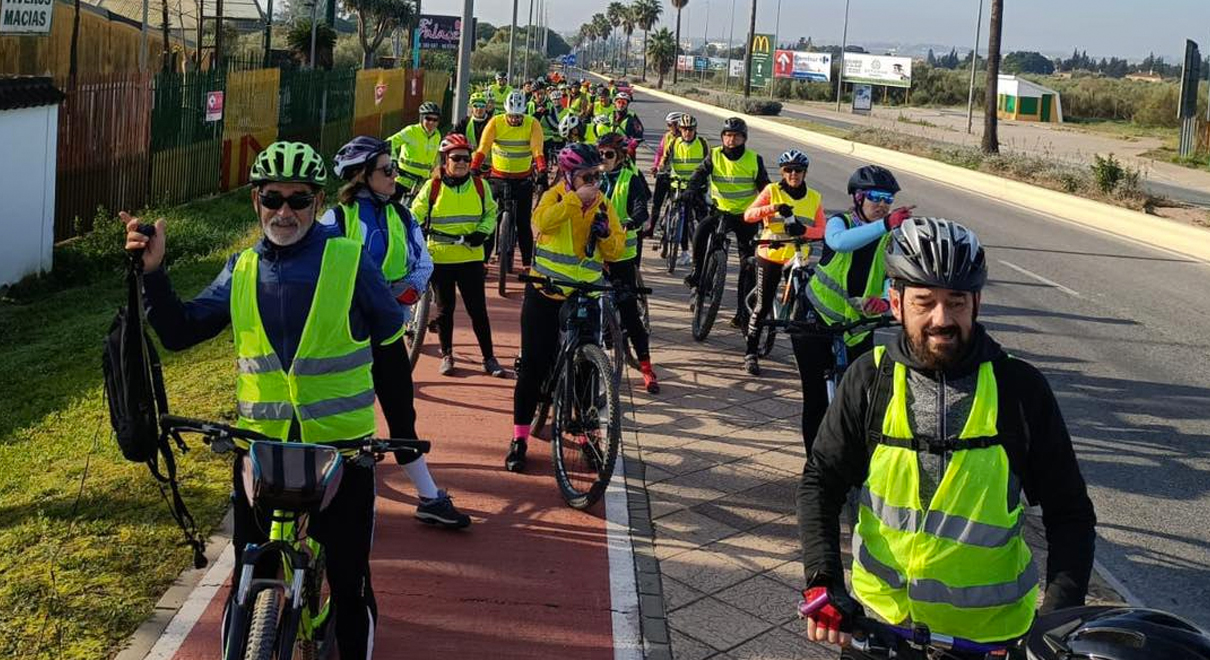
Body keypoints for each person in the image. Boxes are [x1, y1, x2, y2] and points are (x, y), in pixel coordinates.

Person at [123, 142, 407, 659]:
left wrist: (404, 435)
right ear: (255, 201)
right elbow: (181, 331)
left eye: (298, 201)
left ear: (318, 202)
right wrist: (155, 273)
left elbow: (389, 351)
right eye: (272, 198)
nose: (284, 212)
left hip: (340, 451)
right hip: (260, 451)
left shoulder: (350, 261)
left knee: (347, 581)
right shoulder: (243, 269)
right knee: (248, 573)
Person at [797, 217, 1097, 651]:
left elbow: (1070, 512)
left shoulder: (1020, 389)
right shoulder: (869, 379)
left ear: (976, 303)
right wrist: (823, 580)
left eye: (956, 302)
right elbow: (820, 482)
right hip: (883, 625)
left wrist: (1056, 620)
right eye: (925, 301)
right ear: (896, 303)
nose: (942, 319)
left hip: (991, 638)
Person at [322, 136, 471, 529]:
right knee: (337, 422)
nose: (395, 175)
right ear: (361, 176)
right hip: (340, 339)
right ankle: (326, 498)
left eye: (394, 168)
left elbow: (423, 264)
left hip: (387, 334)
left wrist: (402, 296)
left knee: (401, 414)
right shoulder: (334, 220)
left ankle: (429, 498)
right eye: (387, 169)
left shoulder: (402, 216)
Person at [506, 144, 625, 472]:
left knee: (587, 371)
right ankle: (519, 438)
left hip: (585, 295)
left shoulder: (603, 204)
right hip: (546, 292)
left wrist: (604, 236)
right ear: (568, 176)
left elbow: (616, 251)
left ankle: (588, 437)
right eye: (586, 177)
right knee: (533, 365)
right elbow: (541, 223)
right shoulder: (554, 197)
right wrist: (576, 200)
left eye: (597, 177)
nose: (593, 184)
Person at [797, 165, 914, 449]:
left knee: (860, 402)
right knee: (815, 400)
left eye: (888, 200)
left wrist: (885, 301)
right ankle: (815, 465)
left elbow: (893, 276)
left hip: (858, 327)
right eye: (876, 197)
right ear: (859, 197)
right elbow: (840, 243)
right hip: (815, 318)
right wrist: (886, 225)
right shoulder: (841, 223)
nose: (883, 205)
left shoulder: (890, 237)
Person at [410, 134, 506, 378]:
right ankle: (447, 354)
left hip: (470, 257)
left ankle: (489, 358)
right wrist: (415, 234)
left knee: (478, 310)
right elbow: (414, 215)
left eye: (466, 158)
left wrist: (482, 233)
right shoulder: (432, 187)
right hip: (440, 259)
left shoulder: (479, 186)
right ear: (445, 160)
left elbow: (491, 213)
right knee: (445, 310)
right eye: (456, 158)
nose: (462, 162)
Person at [741, 150, 826, 376]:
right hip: (771, 253)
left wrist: (804, 230)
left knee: (806, 306)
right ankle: (750, 352)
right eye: (788, 170)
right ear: (782, 171)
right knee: (763, 303)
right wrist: (774, 208)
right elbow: (749, 215)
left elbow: (823, 231)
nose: (793, 174)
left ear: (805, 172)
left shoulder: (815, 197)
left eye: (798, 170)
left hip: (798, 256)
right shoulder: (772, 191)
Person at [684, 116, 769, 329]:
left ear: (744, 139)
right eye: (728, 135)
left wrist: (770, 211)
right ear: (723, 137)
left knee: (747, 264)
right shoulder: (713, 155)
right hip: (720, 211)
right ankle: (697, 272)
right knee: (701, 230)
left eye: (736, 136)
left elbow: (765, 188)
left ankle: (742, 312)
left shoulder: (753, 159)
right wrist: (690, 189)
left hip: (746, 216)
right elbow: (699, 174)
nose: (731, 140)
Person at [597, 132, 659, 393]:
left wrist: (632, 221)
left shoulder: (630, 179)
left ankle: (646, 367)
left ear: (620, 157)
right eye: (600, 154)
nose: (604, 159)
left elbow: (641, 209)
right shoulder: (591, 178)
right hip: (594, 256)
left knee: (630, 313)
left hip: (621, 255)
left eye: (609, 154)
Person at [471, 90, 547, 270]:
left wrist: (542, 171)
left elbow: (537, 149)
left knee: (523, 223)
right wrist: (474, 167)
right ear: (505, 112)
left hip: (523, 179)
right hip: (498, 177)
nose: (514, 120)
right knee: (490, 220)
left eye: (518, 116)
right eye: (511, 116)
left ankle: (528, 263)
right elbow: (483, 147)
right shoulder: (495, 122)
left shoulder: (532, 124)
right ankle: (483, 262)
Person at [655, 113, 709, 265]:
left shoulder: (703, 143)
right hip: (677, 185)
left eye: (690, 129)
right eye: (684, 129)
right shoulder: (674, 142)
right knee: (680, 220)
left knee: (701, 219)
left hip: (696, 187)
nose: (687, 132)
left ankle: (701, 250)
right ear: (680, 129)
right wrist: (661, 168)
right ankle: (681, 249)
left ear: (695, 129)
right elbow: (665, 159)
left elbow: (709, 164)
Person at [387, 102, 442, 197]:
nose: (431, 123)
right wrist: (393, 159)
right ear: (421, 118)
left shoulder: (437, 136)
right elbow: (389, 143)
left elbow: (435, 159)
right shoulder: (411, 131)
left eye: (435, 120)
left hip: (420, 185)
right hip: (402, 181)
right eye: (428, 119)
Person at [648, 111, 683, 221]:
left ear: (678, 125)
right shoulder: (667, 136)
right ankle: (651, 227)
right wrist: (656, 166)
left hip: (678, 175)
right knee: (657, 202)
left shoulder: (686, 138)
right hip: (664, 172)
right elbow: (660, 152)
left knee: (675, 203)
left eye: (670, 125)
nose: (669, 127)